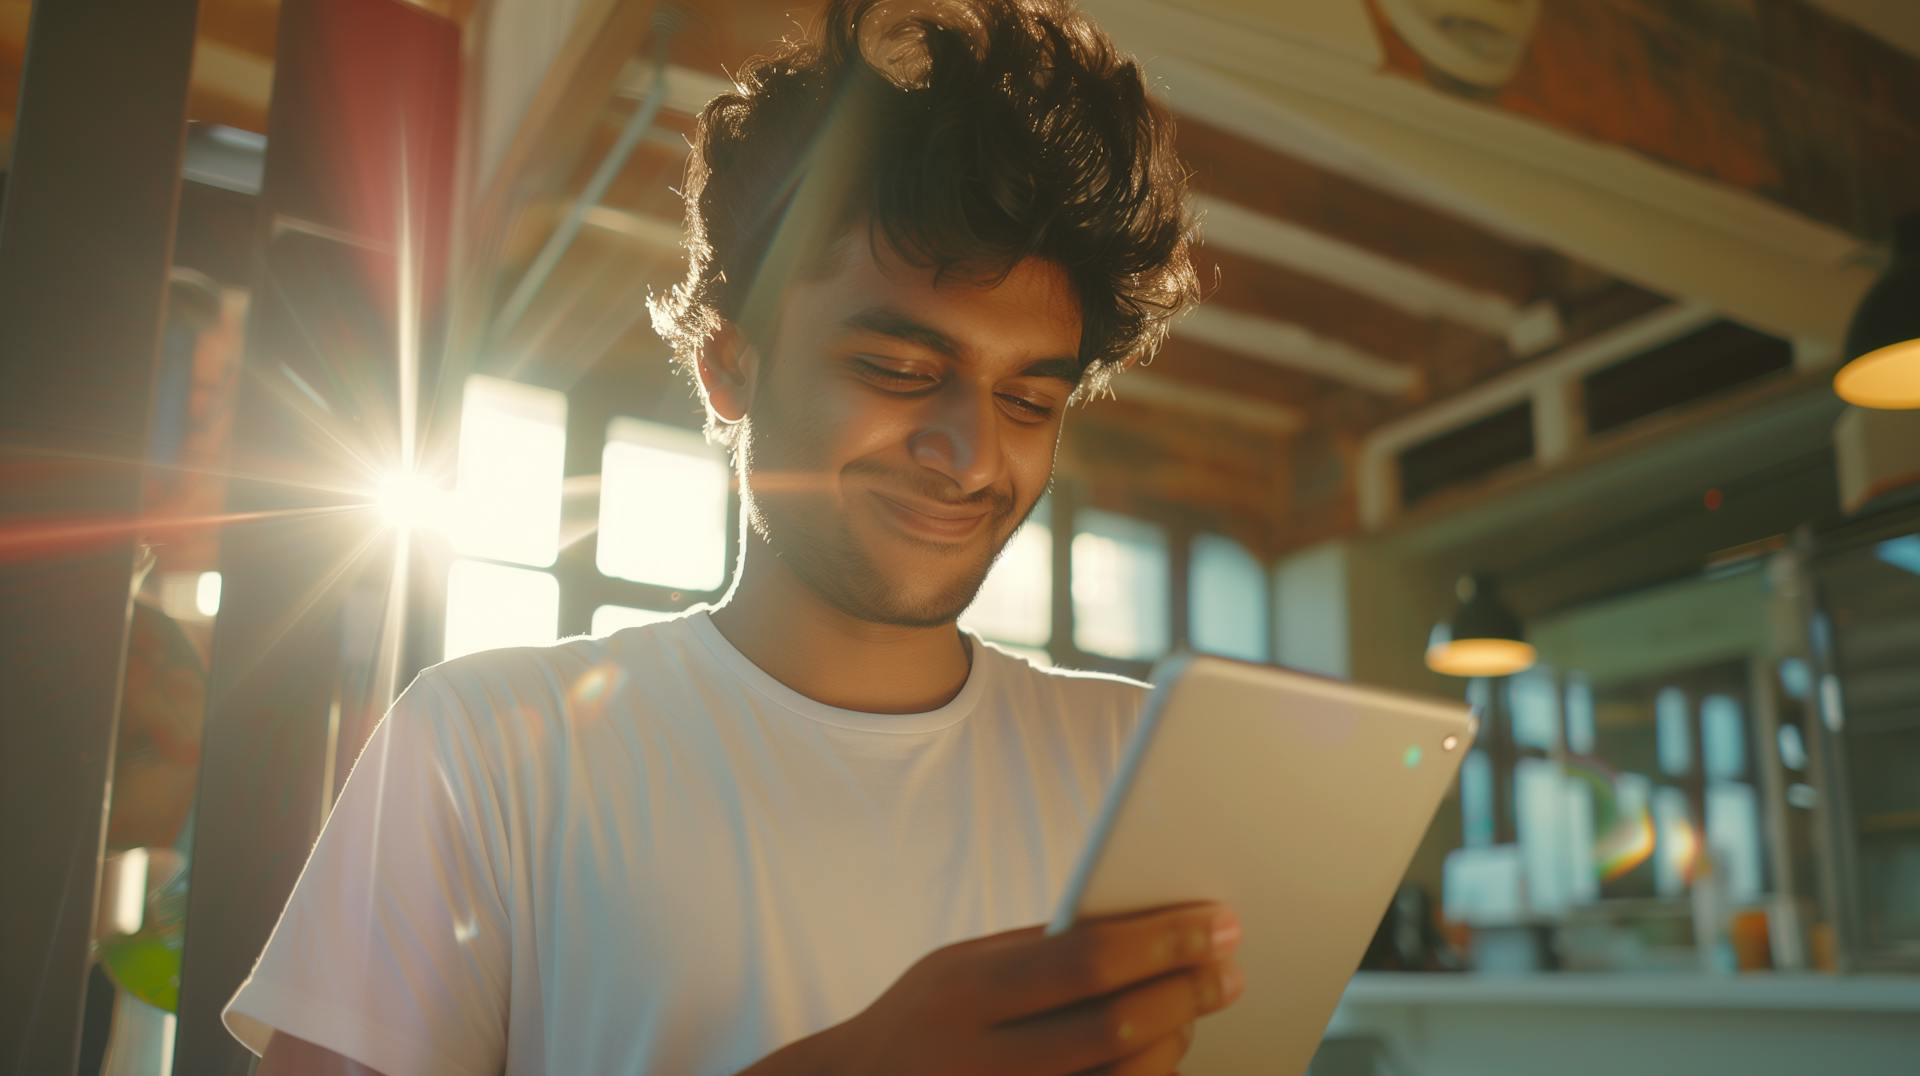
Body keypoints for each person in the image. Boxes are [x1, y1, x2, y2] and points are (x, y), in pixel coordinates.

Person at [232, 2, 1241, 1072]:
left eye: (1030, 401)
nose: (973, 453)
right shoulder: (484, 744)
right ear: (731, 362)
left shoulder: (1141, 767)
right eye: (898, 371)